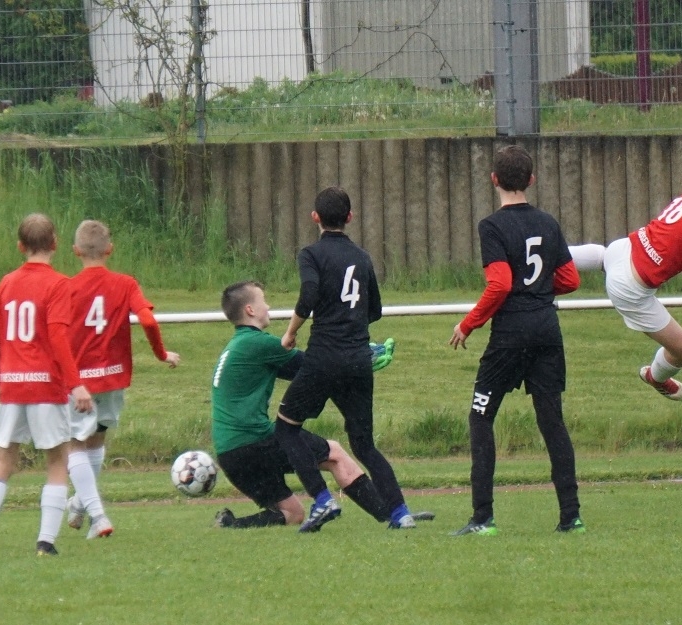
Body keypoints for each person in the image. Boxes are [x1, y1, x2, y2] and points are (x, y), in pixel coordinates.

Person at [569, 84, 682, 401]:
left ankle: (547, 254)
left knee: (602, 255)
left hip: (623, 250)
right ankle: (655, 377)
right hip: (632, 287)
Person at [211, 280, 425, 529]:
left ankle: (229, 525)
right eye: (263, 301)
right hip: (253, 441)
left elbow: (307, 373)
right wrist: (357, 359)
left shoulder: (239, 346)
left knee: (293, 514)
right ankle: (391, 516)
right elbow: (319, 367)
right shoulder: (259, 344)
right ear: (250, 310)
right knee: (334, 453)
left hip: (229, 454)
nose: (268, 306)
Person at [449, 145, 584, 536]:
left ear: (493, 179)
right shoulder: (548, 222)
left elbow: (501, 284)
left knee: (480, 417)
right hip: (547, 331)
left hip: (510, 336)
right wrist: (538, 289)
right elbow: (571, 279)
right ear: (531, 179)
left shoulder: (491, 227)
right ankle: (571, 517)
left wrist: (468, 324)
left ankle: (482, 517)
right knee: (552, 422)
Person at [274, 186, 418, 532]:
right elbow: (375, 310)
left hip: (324, 357)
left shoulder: (311, 254)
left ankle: (322, 500)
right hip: (357, 360)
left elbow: (309, 294)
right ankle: (401, 513)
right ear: (350, 218)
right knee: (364, 444)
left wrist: (290, 333)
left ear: (315, 217)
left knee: (286, 427)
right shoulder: (362, 257)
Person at [0, 213, 94, 558]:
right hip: (45, 385)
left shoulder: (7, 283)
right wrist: (76, 384)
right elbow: (57, 338)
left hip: (12, 384)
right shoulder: (59, 284)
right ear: (55, 244)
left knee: (3, 460)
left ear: (20, 246)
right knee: (57, 461)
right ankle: (45, 543)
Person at [64, 220, 180, 538]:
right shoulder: (125, 284)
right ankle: (79, 505)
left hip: (79, 381)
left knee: (75, 445)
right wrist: (161, 354)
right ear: (110, 250)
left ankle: (98, 515)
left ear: (75, 251)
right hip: (113, 377)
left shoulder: (67, 287)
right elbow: (148, 321)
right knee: (96, 440)